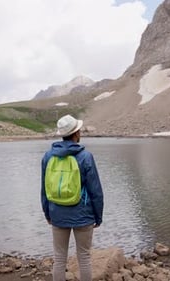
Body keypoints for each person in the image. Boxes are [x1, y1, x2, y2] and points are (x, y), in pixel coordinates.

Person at [41, 114, 104, 281]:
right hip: (83, 215)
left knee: (59, 258)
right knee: (84, 257)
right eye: (79, 130)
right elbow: (95, 191)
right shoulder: (85, 157)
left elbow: (44, 188)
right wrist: (98, 216)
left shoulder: (48, 157)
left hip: (57, 213)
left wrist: (48, 214)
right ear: (76, 133)